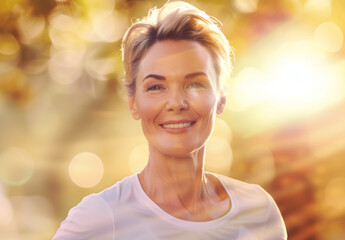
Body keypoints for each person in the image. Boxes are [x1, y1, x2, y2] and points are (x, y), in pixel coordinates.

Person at [53, 1, 287, 239]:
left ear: (220, 98)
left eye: (195, 84)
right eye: (156, 87)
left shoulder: (259, 212)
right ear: (133, 102)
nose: (176, 102)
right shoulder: (100, 218)